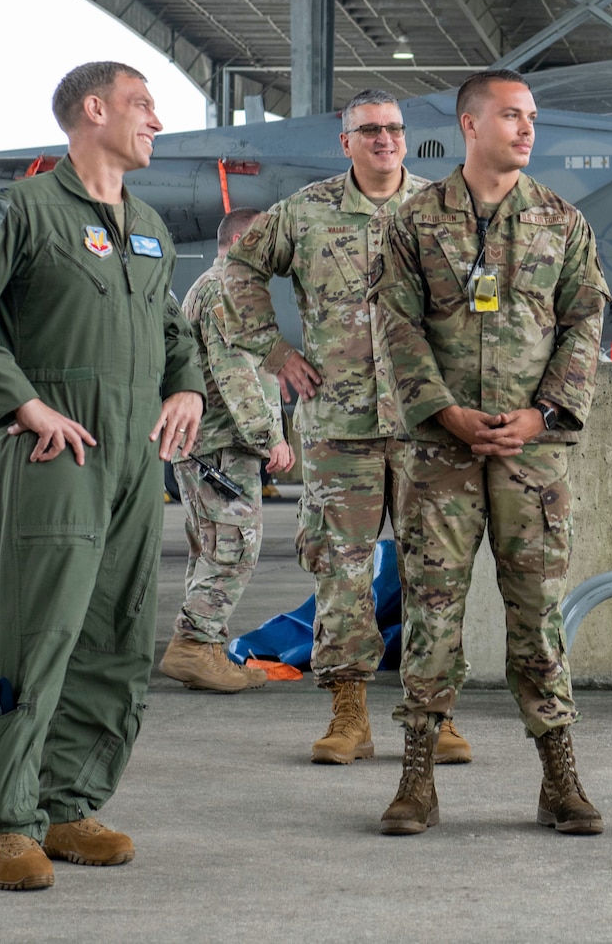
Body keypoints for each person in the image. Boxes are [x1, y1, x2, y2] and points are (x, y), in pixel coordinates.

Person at [0, 60, 205, 893]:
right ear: (93, 109)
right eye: (141, 104)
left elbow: (170, 325)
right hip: (59, 453)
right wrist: (21, 406)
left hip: (133, 462)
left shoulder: (146, 224)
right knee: (34, 635)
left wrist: (185, 382)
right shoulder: (21, 210)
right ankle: (5, 823)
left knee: (115, 636)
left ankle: (71, 802)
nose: (155, 119)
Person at [371, 70, 610, 837]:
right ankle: (417, 776)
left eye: (532, 116)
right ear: (470, 124)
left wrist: (543, 415)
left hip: (528, 458)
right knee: (432, 610)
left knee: (538, 616)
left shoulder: (560, 220)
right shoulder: (414, 222)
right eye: (512, 115)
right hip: (442, 454)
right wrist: (443, 410)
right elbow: (394, 324)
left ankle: (560, 777)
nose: (528, 127)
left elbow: (584, 323)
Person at [221, 89, 473, 765]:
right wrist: (273, 350)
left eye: (393, 128)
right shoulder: (304, 212)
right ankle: (348, 713)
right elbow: (237, 268)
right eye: (370, 130)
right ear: (346, 141)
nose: (385, 139)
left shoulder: (442, 209)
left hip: (427, 424)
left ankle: (434, 715)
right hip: (341, 424)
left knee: (435, 572)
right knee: (342, 572)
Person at [158, 207, 296, 693]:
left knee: (213, 548)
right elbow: (231, 375)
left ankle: (206, 646)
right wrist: (271, 438)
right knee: (235, 548)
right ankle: (194, 646)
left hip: (207, 444)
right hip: (221, 446)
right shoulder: (224, 291)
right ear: (249, 237)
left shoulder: (214, 287)